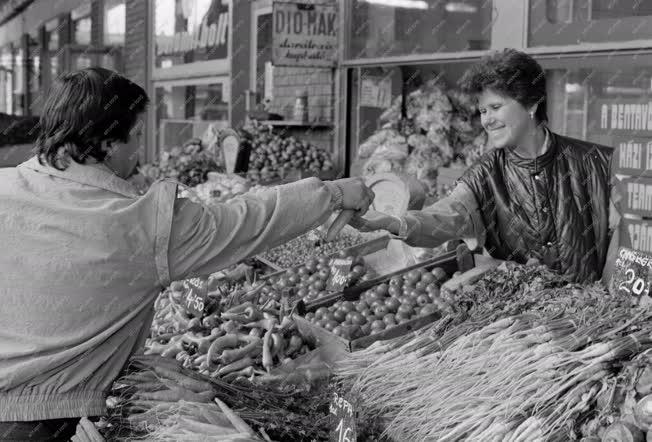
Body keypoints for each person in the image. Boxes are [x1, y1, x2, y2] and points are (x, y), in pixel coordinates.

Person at [0, 68, 374, 440]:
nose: (140, 150)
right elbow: (247, 222)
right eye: (138, 136)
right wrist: (334, 194)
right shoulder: (140, 222)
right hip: (34, 422)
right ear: (110, 143)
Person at [351, 48, 615, 283]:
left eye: (496, 107)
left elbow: (628, 239)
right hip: (526, 326)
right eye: (482, 111)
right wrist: (394, 222)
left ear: (532, 104)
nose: (487, 120)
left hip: (598, 322)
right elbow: (445, 216)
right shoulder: (485, 173)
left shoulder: (598, 163)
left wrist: (610, 291)